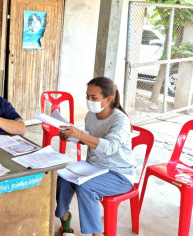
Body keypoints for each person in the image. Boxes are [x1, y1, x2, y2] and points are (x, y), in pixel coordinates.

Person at [56, 76, 136, 236]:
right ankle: (65, 223)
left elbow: (110, 147)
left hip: (119, 174)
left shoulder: (120, 120)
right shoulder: (91, 116)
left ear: (108, 99)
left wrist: (81, 135)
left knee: (85, 187)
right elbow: (91, 141)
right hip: (94, 167)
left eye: (94, 97)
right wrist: (73, 137)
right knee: (63, 177)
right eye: (87, 96)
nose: (89, 100)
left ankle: (97, 234)